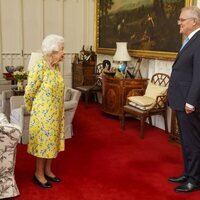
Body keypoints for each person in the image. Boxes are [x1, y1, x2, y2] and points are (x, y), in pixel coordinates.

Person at [24, 34, 65, 188]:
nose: (63, 52)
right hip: (43, 115)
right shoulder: (39, 67)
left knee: (52, 143)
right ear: (52, 51)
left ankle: (48, 171)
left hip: (55, 113)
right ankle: (38, 174)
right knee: (43, 145)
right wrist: (34, 110)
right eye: (61, 49)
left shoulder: (57, 67)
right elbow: (29, 92)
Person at [168, 6, 200, 193]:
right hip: (181, 100)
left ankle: (194, 180)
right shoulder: (190, 40)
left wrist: (191, 101)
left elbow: (198, 75)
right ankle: (188, 173)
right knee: (186, 141)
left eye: (182, 20)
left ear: (194, 22)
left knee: (193, 142)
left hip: (189, 102)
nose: (179, 23)